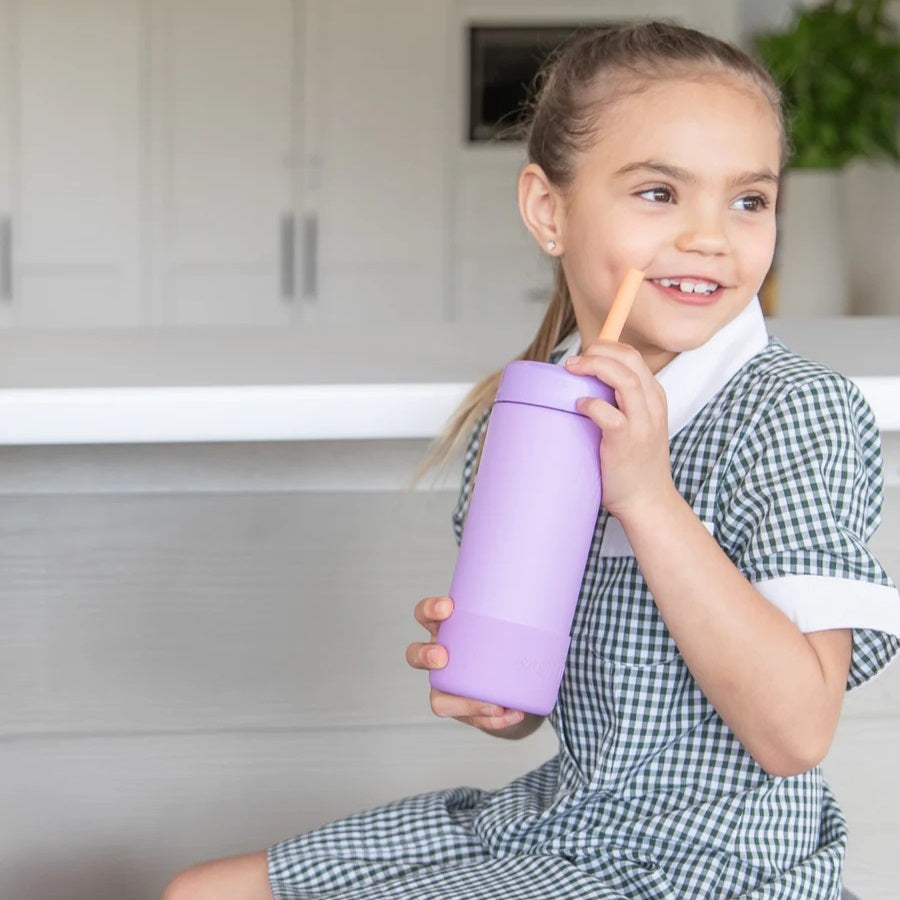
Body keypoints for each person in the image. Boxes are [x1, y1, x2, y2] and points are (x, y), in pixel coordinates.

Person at [162, 21, 900, 900]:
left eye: (750, 201)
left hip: (715, 862)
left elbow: (795, 734)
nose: (711, 237)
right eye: (660, 193)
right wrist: (501, 705)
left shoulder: (793, 412)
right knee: (201, 892)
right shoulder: (535, 410)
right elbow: (546, 709)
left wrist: (646, 494)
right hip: (569, 817)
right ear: (549, 209)